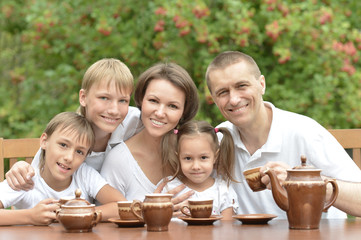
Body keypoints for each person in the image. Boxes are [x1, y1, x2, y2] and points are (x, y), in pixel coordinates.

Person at [205, 50, 361, 218]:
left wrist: (303, 182)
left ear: (262, 85)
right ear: (214, 99)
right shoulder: (218, 140)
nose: (234, 99)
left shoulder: (304, 132)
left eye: (241, 86)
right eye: (223, 92)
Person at [6, 58, 142, 190]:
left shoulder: (135, 121)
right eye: (104, 98)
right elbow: (39, 177)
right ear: (83, 97)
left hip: (112, 205)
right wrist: (21, 168)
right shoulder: (67, 133)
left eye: (123, 101)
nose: (114, 110)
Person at [100, 62, 199, 212]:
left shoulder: (197, 152)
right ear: (141, 100)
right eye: (153, 101)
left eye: (172, 106)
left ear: (184, 112)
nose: (160, 113)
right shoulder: (119, 161)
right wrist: (149, 213)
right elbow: (103, 226)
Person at [0, 112, 126, 225]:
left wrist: (81, 213)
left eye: (79, 152)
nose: (69, 157)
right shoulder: (25, 179)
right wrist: (30, 216)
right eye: (63, 145)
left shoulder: (83, 175)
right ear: (44, 141)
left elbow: (122, 207)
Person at [160, 120, 239, 220]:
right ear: (178, 157)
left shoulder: (223, 191)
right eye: (188, 158)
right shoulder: (169, 187)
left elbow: (227, 229)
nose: (196, 166)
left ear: (215, 156)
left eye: (203, 157)